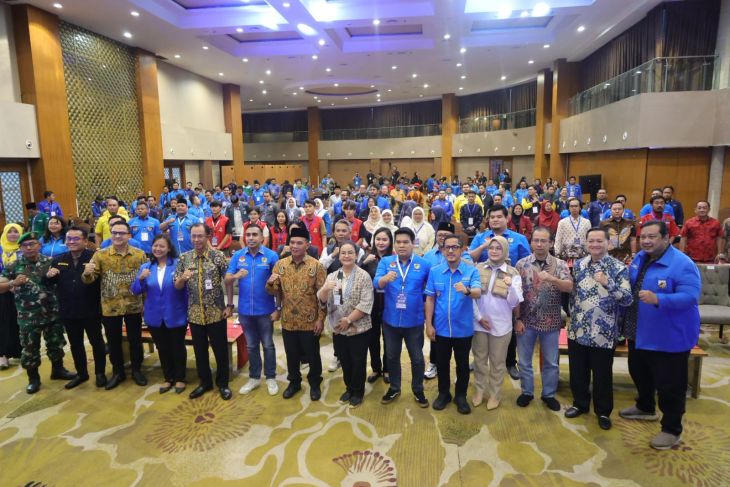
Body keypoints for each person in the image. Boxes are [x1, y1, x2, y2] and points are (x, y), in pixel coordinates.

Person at [620, 220, 701, 450]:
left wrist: (659, 299)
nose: (646, 241)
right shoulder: (640, 258)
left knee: (670, 385)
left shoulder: (682, 264)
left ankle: (671, 429)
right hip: (639, 330)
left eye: (652, 237)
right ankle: (645, 407)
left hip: (669, 336)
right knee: (639, 372)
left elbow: (690, 296)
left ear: (666, 238)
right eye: (643, 237)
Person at [565, 227, 632, 430]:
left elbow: (627, 299)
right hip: (578, 329)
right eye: (591, 241)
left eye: (599, 241)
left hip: (603, 333)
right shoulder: (579, 265)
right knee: (578, 371)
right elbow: (574, 293)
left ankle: (603, 412)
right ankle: (580, 404)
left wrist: (608, 283)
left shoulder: (618, 267)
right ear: (586, 243)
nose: (595, 244)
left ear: (608, 243)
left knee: (602, 375)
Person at [0, 232, 75, 393]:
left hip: (52, 312)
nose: (29, 247)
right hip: (28, 316)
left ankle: (58, 370)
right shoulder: (14, 266)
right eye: (25, 245)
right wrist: (13, 282)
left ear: (39, 245)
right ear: (20, 248)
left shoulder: (51, 261)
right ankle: (33, 379)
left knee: (56, 343)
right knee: (30, 349)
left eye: (32, 244)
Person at [82, 221, 148, 390]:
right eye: (114, 232)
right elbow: (90, 279)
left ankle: (136, 370)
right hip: (110, 306)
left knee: (135, 340)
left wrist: (146, 303)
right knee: (113, 342)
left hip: (133, 305)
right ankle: (118, 372)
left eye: (121, 233)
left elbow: (145, 281)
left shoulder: (139, 254)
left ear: (129, 236)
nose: (117, 236)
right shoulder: (100, 255)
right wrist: (87, 273)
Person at [514, 227, 573, 411]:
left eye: (543, 241)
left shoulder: (560, 264)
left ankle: (548, 394)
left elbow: (569, 287)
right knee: (524, 361)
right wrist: (517, 319)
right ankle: (527, 392)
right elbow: (515, 294)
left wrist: (552, 279)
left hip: (551, 321)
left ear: (550, 243)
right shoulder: (521, 264)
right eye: (536, 240)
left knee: (551, 362)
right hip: (526, 321)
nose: (539, 244)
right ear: (531, 242)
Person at [266, 226, 326, 400]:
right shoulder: (281, 265)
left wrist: (321, 319)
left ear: (307, 245)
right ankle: (294, 382)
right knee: (291, 354)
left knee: (312, 355)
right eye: (292, 242)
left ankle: (315, 382)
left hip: (310, 320)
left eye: (299, 243)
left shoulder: (317, 266)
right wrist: (269, 283)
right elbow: (273, 291)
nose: (294, 246)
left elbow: (323, 297)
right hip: (288, 320)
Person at [374, 227, 432, 407]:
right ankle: (394, 387)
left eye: (405, 242)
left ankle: (418, 389)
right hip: (390, 320)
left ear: (413, 243)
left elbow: (430, 291)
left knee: (417, 358)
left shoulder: (423, 264)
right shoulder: (386, 262)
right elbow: (376, 283)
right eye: (398, 242)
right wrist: (385, 279)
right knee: (392, 357)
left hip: (414, 320)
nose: (401, 245)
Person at [174, 223, 232, 400]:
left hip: (216, 312)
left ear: (208, 236)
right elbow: (177, 286)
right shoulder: (184, 258)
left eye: (200, 236)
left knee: (220, 350)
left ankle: (223, 383)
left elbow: (228, 281)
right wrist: (182, 279)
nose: (196, 239)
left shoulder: (218, 256)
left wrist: (230, 305)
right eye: (193, 236)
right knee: (200, 351)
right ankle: (205, 382)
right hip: (195, 314)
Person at [425, 234, 481, 414]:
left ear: (462, 249)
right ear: (442, 251)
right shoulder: (435, 271)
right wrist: (429, 324)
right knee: (442, 364)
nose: (450, 250)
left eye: (454, 247)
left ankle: (460, 396)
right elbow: (430, 299)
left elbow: (478, 292)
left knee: (462, 365)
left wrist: (467, 290)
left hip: (463, 330)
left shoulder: (471, 271)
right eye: (446, 247)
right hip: (441, 329)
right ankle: (444, 394)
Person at [46, 226, 106, 389]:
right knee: (75, 344)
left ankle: (100, 373)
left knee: (97, 342)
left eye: (76, 238)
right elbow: (52, 284)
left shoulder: (95, 257)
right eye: (69, 239)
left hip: (91, 308)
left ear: (85, 241)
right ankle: (81, 374)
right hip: (69, 310)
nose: (71, 242)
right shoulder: (58, 259)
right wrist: (49, 276)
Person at [317, 241, 374, 408]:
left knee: (358, 361)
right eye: (343, 253)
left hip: (358, 328)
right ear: (339, 255)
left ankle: (358, 391)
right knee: (344, 360)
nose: (347, 256)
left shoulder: (363, 276)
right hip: (338, 328)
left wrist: (348, 320)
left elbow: (366, 303)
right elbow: (322, 301)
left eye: (350, 253)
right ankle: (349, 388)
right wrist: (325, 289)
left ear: (356, 255)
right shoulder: (334, 276)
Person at [226, 224, 280, 396]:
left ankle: (270, 377)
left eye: (254, 234)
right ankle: (254, 377)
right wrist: (236, 276)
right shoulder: (238, 256)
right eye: (248, 234)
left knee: (268, 345)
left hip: (266, 310)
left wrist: (278, 307)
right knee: (251, 346)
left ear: (262, 238)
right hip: (245, 311)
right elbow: (227, 279)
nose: (251, 238)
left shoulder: (271, 256)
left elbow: (279, 285)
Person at [471, 236, 523, 410]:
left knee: (497, 363)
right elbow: (471, 297)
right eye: (491, 248)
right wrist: (479, 318)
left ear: (505, 251)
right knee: (479, 361)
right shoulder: (478, 268)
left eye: (498, 248)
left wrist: (511, 287)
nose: (494, 251)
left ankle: (495, 394)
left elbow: (515, 302)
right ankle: (479, 391)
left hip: (501, 326)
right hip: (479, 324)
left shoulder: (513, 273)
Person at [131, 235, 188, 394]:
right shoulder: (146, 267)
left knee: (177, 347)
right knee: (162, 348)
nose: (158, 249)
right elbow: (135, 290)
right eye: (155, 246)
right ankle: (168, 377)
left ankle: (180, 378)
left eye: (162, 246)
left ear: (169, 248)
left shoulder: (178, 264)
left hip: (176, 313)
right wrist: (140, 279)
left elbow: (186, 290)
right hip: (154, 315)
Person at [359, 227, 393, 384]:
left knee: (389, 338)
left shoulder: (394, 258)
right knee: (372, 338)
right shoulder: (367, 256)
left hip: (389, 303)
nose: (381, 242)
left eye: (384, 239)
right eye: (378, 239)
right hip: (371, 304)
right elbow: (355, 275)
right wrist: (363, 263)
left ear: (390, 241)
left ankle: (387, 369)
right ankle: (375, 368)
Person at [0, 224, 23, 370]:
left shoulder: (25, 248)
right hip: (2, 291)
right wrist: (8, 284)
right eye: (10, 232)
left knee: (19, 322)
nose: (13, 234)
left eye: (16, 232)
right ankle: (2, 355)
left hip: (21, 290)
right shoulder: (0, 249)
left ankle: (19, 351)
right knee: (3, 322)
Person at [554, 198, 591, 263]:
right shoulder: (562, 222)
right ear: (569, 208)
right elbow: (558, 239)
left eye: (576, 206)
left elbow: (590, 239)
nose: (574, 208)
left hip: (583, 255)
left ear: (580, 208)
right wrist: (557, 254)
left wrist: (590, 253)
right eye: (571, 206)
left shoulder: (586, 222)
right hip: (566, 255)